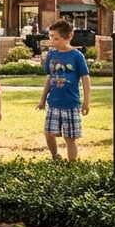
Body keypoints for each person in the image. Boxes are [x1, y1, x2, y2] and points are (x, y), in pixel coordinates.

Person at [35, 19, 91, 161]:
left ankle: (71, 165)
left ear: (69, 37)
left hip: (71, 104)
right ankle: (55, 156)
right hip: (53, 103)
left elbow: (85, 79)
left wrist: (86, 102)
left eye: (56, 38)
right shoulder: (51, 55)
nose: (52, 40)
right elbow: (49, 78)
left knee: (70, 138)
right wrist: (42, 100)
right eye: (51, 37)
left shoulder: (77, 56)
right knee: (49, 133)